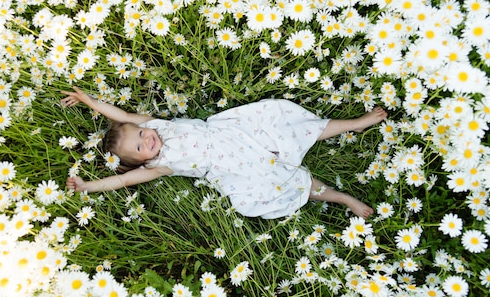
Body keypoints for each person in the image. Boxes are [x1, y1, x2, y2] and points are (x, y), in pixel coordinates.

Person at [61, 86, 387, 219]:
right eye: (140, 147)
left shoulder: (156, 124)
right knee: (283, 183)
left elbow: (122, 115)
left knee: (289, 129)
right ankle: (342, 198)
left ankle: (354, 124)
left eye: (143, 134)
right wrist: (88, 186)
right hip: (233, 168)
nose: (147, 140)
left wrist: (90, 101)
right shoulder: (159, 166)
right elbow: (120, 182)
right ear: (141, 160)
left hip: (237, 132)